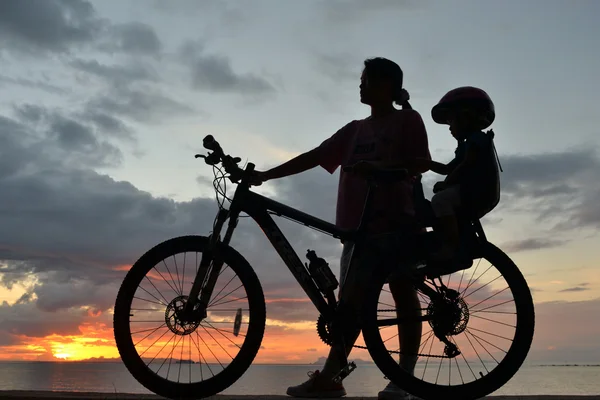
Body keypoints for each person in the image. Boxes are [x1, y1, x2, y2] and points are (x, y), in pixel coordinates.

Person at [253, 57, 431, 400]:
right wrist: (264, 176)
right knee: (350, 305)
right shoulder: (354, 130)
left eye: (366, 80)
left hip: (399, 223)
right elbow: (314, 156)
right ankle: (331, 378)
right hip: (357, 231)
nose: (360, 86)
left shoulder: (407, 119)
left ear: (387, 86)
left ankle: (403, 378)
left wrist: (378, 166)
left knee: (402, 293)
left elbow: (419, 164)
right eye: (361, 81)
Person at [412, 87, 498, 268]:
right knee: (440, 204)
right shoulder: (468, 144)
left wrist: (446, 183)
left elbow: (466, 165)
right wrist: (427, 164)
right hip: (474, 191)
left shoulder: (476, 140)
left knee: (441, 200)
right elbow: (448, 168)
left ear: (466, 117)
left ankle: (450, 246)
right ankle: (449, 238)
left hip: (476, 191)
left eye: (451, 121)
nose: (450, 127)